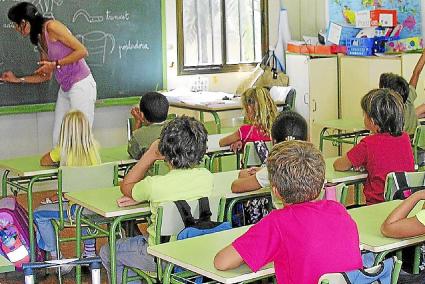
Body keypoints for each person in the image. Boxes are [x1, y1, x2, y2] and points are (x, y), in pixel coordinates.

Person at [214, 141, 362, 283]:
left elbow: (222, 262)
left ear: (276, 191)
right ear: (321, 183)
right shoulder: (338, 210)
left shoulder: (279, 222)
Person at [100, 116, 213, 284]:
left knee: (108, 251)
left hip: (160, 257)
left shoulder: (153, 186)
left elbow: (126, 186)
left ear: (164, 150)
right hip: (194, 253)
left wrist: (150, 155)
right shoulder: (207, 178)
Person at [1, 2, 97, 145]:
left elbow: (82, 51)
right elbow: (45, 76)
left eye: (16, 24)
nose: (15, 28)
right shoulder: (39, 39)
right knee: (58, 138)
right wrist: (17, 79)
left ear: (24, 21)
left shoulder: (51, 27)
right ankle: (62, 166)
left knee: (80, 138)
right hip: (66, 88)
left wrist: (55, 64)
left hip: (81, 85)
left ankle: (84, 167)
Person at [35, 110, 100, 266]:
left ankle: (56, 256)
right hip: (96, 206)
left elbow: (44, 160)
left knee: (38, 213)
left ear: (64, 131)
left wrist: (53, 197)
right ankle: (89, 253)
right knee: (86, 213)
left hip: (76, 209)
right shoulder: (95, 148)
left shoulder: (63, 150)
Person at [334, 89, 414, 205]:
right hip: (403, 203)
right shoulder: (404, 138)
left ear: (372, 121)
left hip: (377, 205)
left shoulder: (368, 143)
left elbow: (339, 165)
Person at [231, 111, 308, 194]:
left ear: (274, 142)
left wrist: (265, 172)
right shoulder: (314, 167)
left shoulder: (275, 170)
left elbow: (236, 186)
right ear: (306, 140)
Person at [379, 49, 425, 136]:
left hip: (404, 147)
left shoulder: (390, 113)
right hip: (417, 145)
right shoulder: (408, 97)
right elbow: (416, 73)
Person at [219, 87, 277, 152]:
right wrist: (243, 142)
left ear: (249, 108)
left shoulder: (245, 131)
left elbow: (221, 142)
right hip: (273, 161)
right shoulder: (278, 130)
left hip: (251, 163)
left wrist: (241, 140)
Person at [127, 92, 169, 160]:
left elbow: (133, 153)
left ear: (142, 115)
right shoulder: (176, 129)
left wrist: (138, 122)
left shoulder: (139, 135)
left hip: (150, 170)